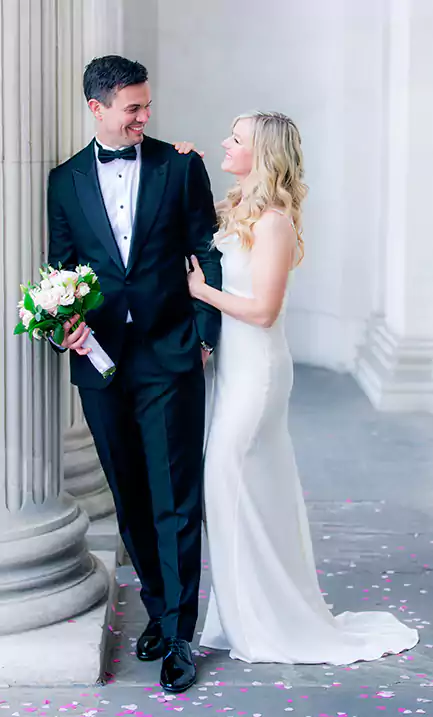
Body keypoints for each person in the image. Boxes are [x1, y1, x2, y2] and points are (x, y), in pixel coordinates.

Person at [187, 111, 419, 664]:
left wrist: (200, 291)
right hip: (234, 370)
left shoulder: (274, 222)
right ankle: (245, 614)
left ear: (260, 153)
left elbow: (264, 311)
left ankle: (267, 620)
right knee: (238, 491)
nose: (226, 141)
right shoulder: (240, 208)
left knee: (228, 478)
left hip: (259, 372)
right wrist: (185, 163)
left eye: (235, 139)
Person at [47, 54, 222, 692]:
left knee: (176, 497)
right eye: (132, 109)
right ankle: (156, 604)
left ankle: (178, 634)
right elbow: (59, 267)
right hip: (99, 364)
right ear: (96, 107)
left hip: (170, 355)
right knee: (130, 497)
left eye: (146, 106)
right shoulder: (64, 180)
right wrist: (61, 323)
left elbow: (207, 246)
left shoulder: (181, 167)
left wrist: (204, 336)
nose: (144, 119)